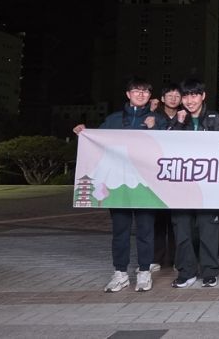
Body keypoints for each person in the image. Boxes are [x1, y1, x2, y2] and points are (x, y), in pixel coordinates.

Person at [72, 77, 167, 293]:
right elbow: (97, 143)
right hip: (117, 185)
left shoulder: (157, 120)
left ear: (150, 96)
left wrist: (155, 129)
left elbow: (165, 148)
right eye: (136, 91)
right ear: (128, 94)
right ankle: (120, 273)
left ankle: (144, 272)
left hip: (145, 185)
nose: (141, 94)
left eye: (145, 91)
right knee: (120, 231)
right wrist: (84, 133)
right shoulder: (113, 120)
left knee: (145, 230)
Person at [169, 78, 219, 288]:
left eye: (194, 95)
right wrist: (178, 123)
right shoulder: (178, 120)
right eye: (186, 96)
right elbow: (166, 147)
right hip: (181, 186)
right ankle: (186, 272)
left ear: (203, 96)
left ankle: (209, 271)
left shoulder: (214, 119)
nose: (190, 100)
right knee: (182, 230)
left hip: (207, 186)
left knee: (208, 229)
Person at [151, 83, 182, 270]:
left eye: (177, 95)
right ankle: (156, 258)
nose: (173, 98)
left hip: (178, 174)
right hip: (157, 173)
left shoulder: (185, 116)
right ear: (162, 98)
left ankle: (175, 258)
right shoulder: (153, 116)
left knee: (176, 220)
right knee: (158, 219)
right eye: (169, 95)